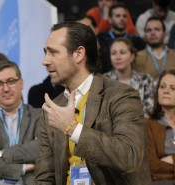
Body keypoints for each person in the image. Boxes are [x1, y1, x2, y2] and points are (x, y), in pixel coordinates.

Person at [34, 22, 151, 184]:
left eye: (53, 52)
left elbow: (129, 157)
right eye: (45, 52)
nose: (45, 61)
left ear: (79, 54)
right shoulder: (53, 108)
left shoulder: (121, 95)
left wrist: (72, 129)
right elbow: (45, 176)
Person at [105, 38, 154, 117]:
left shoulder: (145, 80)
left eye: (122, 52)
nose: (118, 57)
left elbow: (149, 110)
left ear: (132, 56)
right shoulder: (104, 80)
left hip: (140, 125)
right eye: (113, 53)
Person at [97, 3, 145, 73]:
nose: (122, 18)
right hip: (106, 78)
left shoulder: (136, 40)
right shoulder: (101, 38)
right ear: (110, 19)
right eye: (118, 16)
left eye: (124, 16)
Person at [146, 69, 175, 181]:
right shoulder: (149, 125)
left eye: (173, 88)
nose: (166, 91)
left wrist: (171, 159)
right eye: (162, 87)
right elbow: (152, 166)